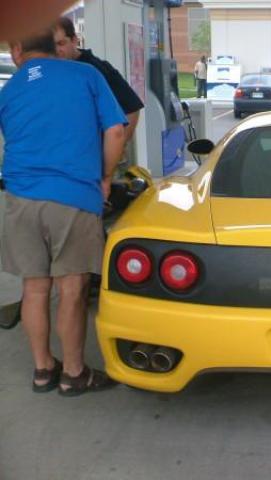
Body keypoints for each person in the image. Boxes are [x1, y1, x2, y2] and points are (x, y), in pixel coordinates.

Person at [0, 27, 127, 395]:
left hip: (21, 199)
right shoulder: (86, 75)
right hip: (74, 195)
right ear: (55, 44)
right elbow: (116, 132)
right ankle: (74, 374)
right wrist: (105, 177)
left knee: (35, 288)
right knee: (72, 289)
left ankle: (42, 369)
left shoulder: (9, 90)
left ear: (17, 48)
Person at [54, 17, 144, 143]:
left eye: (61, 44)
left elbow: (132, 107)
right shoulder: (52, 69)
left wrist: (115, 151)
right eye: (51, 46)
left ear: (74, 40)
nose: (56, 51)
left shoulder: (96, 69)